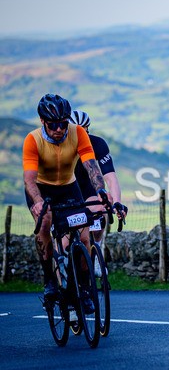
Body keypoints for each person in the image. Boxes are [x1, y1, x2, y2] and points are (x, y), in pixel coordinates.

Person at [22, 94, 109, 309]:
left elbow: (91, 166)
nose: (59, 129)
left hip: (69, 187)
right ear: (43, 121)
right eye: (54, 124)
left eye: (63, 123)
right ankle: (50, 279)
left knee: (84, 233)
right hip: (41, 189)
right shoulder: (33, 140)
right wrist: (39, 201)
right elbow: (29, 179)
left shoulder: (78, 133)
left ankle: (84, 288)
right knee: (44, 223)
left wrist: (101, 191)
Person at [69, 109, 128, 246]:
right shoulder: (59, 146)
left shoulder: (98, 144)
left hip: (88, 188)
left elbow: (110, 177)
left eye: (84, 131)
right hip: (66, 189)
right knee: (64, 242)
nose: (80, 136)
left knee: (101, 210)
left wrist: (117, 203)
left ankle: (97, 250)